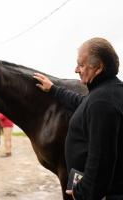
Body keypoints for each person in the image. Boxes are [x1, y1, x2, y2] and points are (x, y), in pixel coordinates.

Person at [33, 37, 123, 199]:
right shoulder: (106, 92)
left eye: (81, 65)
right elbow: (81, 102)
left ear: (98, 67)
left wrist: (83, 192)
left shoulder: (102, 101)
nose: (76, 69)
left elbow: (102, 159)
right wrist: (53, 89)